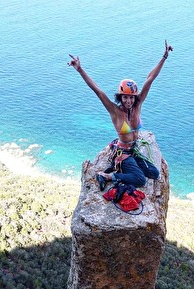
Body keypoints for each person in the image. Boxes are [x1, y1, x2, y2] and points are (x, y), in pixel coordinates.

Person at [68, 40, 173, 190]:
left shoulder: (138, 105)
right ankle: (107, 176)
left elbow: (150, 79)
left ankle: (122, 171)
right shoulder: (115, 111)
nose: (128, 100)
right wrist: (80, 70)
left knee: (155, 173)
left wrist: (164, 57)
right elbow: (98, 91)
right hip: (122, 154)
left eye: (131, 97)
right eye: (125, 97)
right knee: (140, 180)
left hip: (133, 151)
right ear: (120, 97)